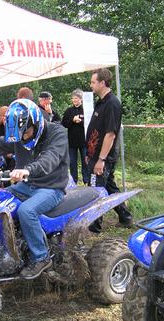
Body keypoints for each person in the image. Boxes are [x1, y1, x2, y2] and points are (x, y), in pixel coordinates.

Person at [0, 99, 69, 279]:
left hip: (51, 187)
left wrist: (28, 170)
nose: (23, 138)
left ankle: (41, 257)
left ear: (36, 123)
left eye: (26, 133)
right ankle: (0, 247)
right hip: (27, 185)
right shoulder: (19, 136)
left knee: (27, 211)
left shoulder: (57, 133)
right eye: (19, 135)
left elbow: (51, 157)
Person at [86, 68, 133, 232]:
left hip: (103, 157)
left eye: (93, 82)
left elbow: (110, 134)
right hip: (96, 155)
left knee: (96, 190)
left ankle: (94, 227)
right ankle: (125, 217)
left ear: (102, 83)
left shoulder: (112, 103)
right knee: (109, 187)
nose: (90, 85)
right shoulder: (101, 102)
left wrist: (101, 160)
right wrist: (90, 154)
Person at [62, 89, 89, 185]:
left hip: (84, 141)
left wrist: (80, 121)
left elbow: (90, 123)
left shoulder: (85, 110)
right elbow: (64, 124)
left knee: (85, 162)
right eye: (73, 98)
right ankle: (74, 181)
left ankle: (86, 180)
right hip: (72, 141)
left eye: (76, 98)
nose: (74, 100)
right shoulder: (69, 111)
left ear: (81, 99)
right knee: (72, 162)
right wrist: (72, 120)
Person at [0, 105, 15, 170]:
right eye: (1, 115)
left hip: (13, 152)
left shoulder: (14, 126)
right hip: (2, 152)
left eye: (4, 115)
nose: (3, 117)